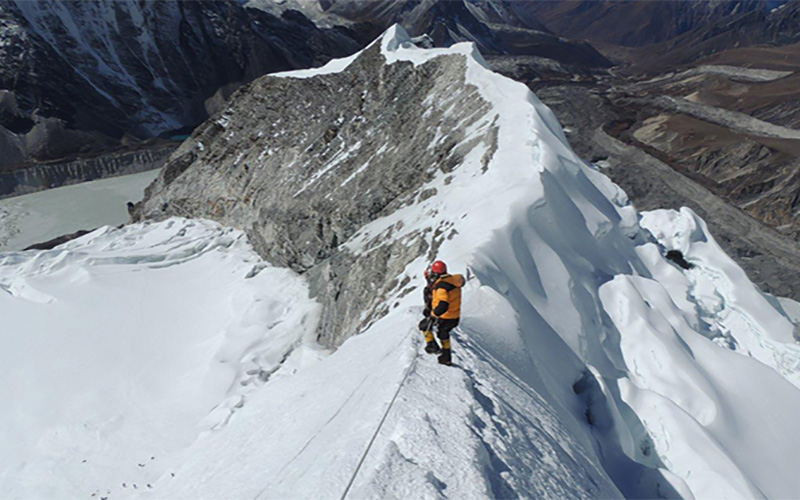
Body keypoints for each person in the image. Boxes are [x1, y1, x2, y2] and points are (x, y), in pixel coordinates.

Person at [422, 260, 465, 366]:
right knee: (443, 333)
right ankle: (446, 356)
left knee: (424, 326)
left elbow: (443, 305)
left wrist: (433, 315)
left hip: (445, 316)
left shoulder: (441, 287)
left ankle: (433, 346)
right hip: (454, 316)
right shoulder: (452, 281)